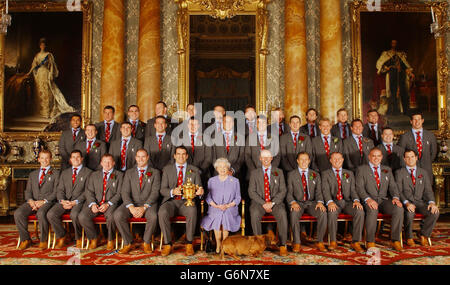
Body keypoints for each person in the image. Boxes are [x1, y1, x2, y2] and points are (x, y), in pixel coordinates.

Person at [158, 146, 204, 256]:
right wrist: (172, 191)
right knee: (162, 212)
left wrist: (201, 191)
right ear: (174, 156)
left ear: (187, 156)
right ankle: (168, 243)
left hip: (186, 202)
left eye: (183, 154)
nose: (181, 156)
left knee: (192, 210)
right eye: (178, 154)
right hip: (171, 201)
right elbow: (162, 190)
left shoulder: (194, 170)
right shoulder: (167, 169)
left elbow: (199, 187)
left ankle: (189, 243)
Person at [356, 148, 404, 251]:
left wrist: (396, 198)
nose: (376, 158)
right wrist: (368, 199)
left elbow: (393, 187)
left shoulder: (387, 169)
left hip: (383, 200)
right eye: (373, 156)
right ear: (369, 157)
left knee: (398, 208)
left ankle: (395, 240)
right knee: (372, 210)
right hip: (369, 199)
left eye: (378, 156)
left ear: (382, 157)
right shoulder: (362, 169)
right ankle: (370, 241)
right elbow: (359, 187)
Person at [114, 149, 161, 254]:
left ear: (148, 157)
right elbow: (124, 192)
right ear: (135, 158)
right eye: (138, 157)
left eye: (143, 156)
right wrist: (131, 207)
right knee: (118, 215)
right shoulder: (129, 173)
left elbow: (155, 192)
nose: (141, 159)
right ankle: (128, 242)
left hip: (148, 204)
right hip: (132, 203)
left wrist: (144, 207)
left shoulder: (155, 172)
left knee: (153, 216)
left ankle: (146, 242)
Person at [15, 150, 60, 250]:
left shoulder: (56, 173)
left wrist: (43, 201)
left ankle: (43, 239)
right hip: (33, 201)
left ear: (51, 159)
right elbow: (28, 191)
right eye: (42, 158)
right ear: (38, 159)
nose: (45, 160)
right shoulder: (33, 174)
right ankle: (25, 239)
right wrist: (30, 201)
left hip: (48, 202)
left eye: (47, 158)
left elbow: (56, 192)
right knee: (18, 213)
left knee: (41, 213)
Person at [47, 150, 92, 249]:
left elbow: (87, 191)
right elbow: (60, 189)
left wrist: (74, 202)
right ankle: (62, 235)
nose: (76, 159)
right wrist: (62, 200)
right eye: (73, 157)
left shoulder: (88, 173)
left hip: (79, 202)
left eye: (78, 157)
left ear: (82, 159)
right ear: (70, 160)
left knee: (75, 214)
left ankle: (79, 237)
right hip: (64, 201)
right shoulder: (64, 173)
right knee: (51, 214)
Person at [321, 152, 364, 253]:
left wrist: (356, 201)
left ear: (343, 159)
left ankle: (356, 241)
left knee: (360, 211)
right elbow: (325, 190)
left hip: (347, 202)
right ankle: (333, 240)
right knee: (332, 212)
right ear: (330, 160)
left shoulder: (349, 173)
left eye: (339, 158)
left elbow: (353, 190)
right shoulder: (325, 174)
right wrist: (330, 202)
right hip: (334, 202)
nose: (337, 161)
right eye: (334, 159)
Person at [395, 149, 439, 247]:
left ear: (416, 158)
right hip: (406, 203)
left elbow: (428, 190)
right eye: (407, 157)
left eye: (412, 157)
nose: (410, 159)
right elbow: (398, 191)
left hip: (420, 202)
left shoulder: (423, 172)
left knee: (434, 212)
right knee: (410, 214)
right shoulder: (399, 172)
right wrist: (406, 203)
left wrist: (432, 202)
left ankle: (423, 234)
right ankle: (409, 237)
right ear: (404, 159)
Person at [79, 154, 123, 250]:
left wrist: (108, 204)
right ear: (101, 163)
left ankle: (111, 239)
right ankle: (93, 238)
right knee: (82, 216)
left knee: (111, 217)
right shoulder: (94, 175)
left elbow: (120, 193)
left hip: (110, 203)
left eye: (109, 162)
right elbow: (89, 191)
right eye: (105, 162)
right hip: (95, 203)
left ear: (113, 163)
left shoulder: (120, 175)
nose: (107, 164)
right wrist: (93, 204)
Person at [248, 149, 288, 256]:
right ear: (260, 159)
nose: (266, 159)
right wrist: (263, 203)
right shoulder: (254, 173)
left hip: (275, 203)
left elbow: (283, 190)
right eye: (263, 157)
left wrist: (272, 203)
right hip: (259, 203)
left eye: (268, 157)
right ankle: (258, 243)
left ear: (271, 158)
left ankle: (283, 245)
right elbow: (251, 191)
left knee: (282, 214)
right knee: (254, 213)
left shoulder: (279, 172)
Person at [286, 152, 327, 252]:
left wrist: (320, 202)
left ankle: (320, 241)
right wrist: (292, 202)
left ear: (309, 161)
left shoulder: (315, 174)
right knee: (294, 213)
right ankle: (296, 242)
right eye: (301, 159)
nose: (304, 162)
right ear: (297, 161)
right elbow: (288, 193)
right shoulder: (291, 174)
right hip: (298, 202)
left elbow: (319, 192)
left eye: (306, 159)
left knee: (323, 212)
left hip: (311, 202)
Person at [26, 38, 75, 119]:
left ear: (45, 46)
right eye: (41, 45)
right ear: (39, 46)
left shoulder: (48, 55)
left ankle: (47, 112)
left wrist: (50, 75)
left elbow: (52, 66)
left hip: (45, 74)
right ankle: (40, 112)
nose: (43, 46)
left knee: (47, 93)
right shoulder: (37, 55)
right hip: (38, 75)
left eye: (44, 45)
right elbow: (34, 65)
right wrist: (29, 72)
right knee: (39, 92)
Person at [201, 158, 241, 253]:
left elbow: (238, 198)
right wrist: (216, 206)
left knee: (226, 215)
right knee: (218, 215)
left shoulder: (235, 181)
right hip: (215, 208)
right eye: (220, 167)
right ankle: (218, 243)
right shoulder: (211, 181)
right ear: (216, 169)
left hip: (230, 208)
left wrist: (227, 205)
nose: (223, 169)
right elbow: (208, 197)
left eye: (225, 167)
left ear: (228, 169)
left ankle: (225, 244)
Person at [376, 39, 414, 114]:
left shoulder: (400, 54)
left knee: (401, 92)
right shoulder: (386, 54)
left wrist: (410, 73)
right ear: (390, 44)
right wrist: (386, 68)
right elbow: (380, 64)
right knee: (391, 93)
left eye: (395, 43)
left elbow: (405, 66)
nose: (394, 44)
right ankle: (391, 111)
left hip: (400, 76)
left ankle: (401, 110)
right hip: (391, 75)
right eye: (393, 43)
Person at [398, 111, 437, 181]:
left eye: (419, 119)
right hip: (410, 172)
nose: (417, 122)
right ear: (411, 121)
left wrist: (426, 162)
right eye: (414, 120)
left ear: (422, 121)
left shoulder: (430, 136)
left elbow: (433, 153)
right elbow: (400, 154)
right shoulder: (404, 137)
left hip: (427, 170)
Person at [176, 117, 212, 186]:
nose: (192, 126)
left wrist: (200, 170)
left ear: (198, 126)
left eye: (195, 124)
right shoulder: (180, 138)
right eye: (190, 124)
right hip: (185, 173)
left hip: (203, 173)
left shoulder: (206, 138)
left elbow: (208, 157)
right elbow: (178, 156)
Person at [245, 115, 280, 181]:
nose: (261, 124)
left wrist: (270, 169)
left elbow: (277, 155)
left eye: (263, 122)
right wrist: (255, 171)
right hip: (253, 173)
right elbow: (247, 156)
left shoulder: (274, 137)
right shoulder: (250, 137)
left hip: (271, 174)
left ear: (267, 124)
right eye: (259, 122)